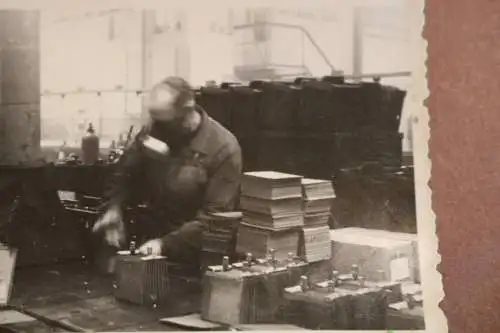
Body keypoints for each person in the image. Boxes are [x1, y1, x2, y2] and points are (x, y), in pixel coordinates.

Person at [92, 76, 242, 263]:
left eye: (164, 123)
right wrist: (113, 207)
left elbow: (214, 219)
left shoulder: (223, 149)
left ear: (188, 111)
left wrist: (165, 245)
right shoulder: (155, 131)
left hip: (194, 255)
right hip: (149, 242)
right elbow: (125, 172)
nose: (156, 129)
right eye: (154, 120)